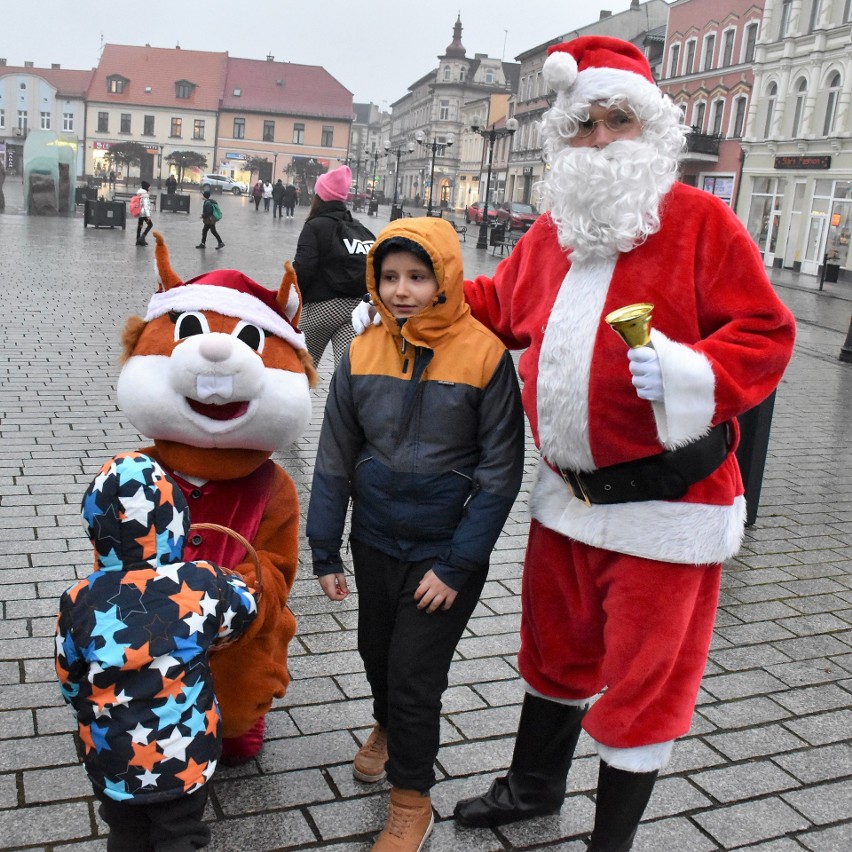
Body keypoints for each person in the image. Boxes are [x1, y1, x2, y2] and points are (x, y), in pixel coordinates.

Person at [358, 37, 795, 851]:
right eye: (583, 123)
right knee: (553, 654)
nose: (599, 138)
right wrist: (407, 304)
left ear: (651, 126)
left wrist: (693, 373)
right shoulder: (553, 233)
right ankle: (533, 785)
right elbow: (494, 303)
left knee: (643, 684)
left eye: (617, 119)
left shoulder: (701, 221)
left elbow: (767, 331)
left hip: (669, 506)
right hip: (568, 500)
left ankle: (612, 839)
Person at [307, 216, 524, 851]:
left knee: (412, 675)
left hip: (444, 552)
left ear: (445, 279)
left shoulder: (485, 354)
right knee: (377, 655)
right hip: (374, 541)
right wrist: (325, 548)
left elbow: (499, 472)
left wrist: (458, 564)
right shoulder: (361, 351)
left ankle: (411, 800)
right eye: (391, 276)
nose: (403, 290)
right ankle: (388, 723)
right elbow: (334, 457)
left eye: (418, 277)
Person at [54, 451, 257, 852]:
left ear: (95, 524)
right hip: (187, 752)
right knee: (180, 832)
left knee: (125, 832)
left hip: (112, 754)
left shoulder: (79, 599)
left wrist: (86, 711)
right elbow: (245, 612)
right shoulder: (201, 581)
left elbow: (69, 676)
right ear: (177, 519)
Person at [293, 165, 373, 368]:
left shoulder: (315, 226)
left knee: (298, 369)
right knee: (346, 372)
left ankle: (293, 399)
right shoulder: (359, 229)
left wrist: (294, 301)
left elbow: (304, 269)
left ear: (319, 195)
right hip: (354, 311)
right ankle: (341, 400)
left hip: (320, 308)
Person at [134, 180, 153, 246]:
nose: (149, 188)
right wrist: (148, 215)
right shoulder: (145, 195)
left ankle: (138, 240)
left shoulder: (140, 193)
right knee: (150, 224)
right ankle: (142, 237)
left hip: (140, 212)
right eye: (149, 187)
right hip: (144, 213)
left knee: (140, 226)